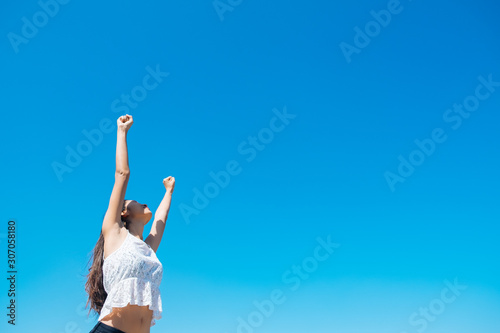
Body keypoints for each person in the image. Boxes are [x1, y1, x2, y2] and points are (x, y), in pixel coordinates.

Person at [85, 114, 176, 333]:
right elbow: (122, 174)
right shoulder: (114, 234)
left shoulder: (148, 250)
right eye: (136, 201)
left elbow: (160, 221)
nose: (144, 202)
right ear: (124, 212)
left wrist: (169, 192)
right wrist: (122, 131)